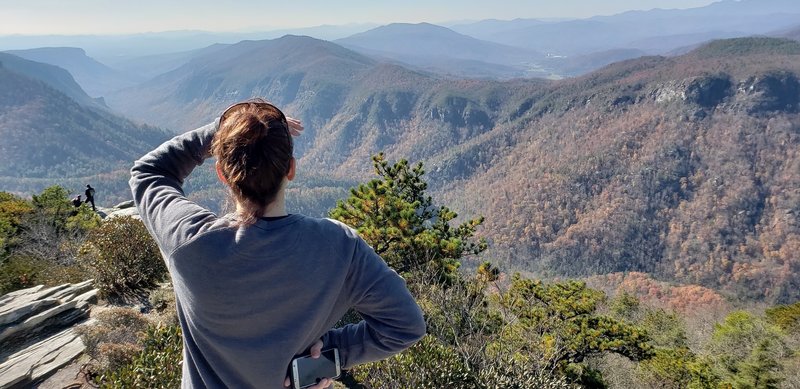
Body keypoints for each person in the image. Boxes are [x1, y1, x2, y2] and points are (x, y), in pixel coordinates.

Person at [129, 98, 426, 388]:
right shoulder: (340, 246)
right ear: (291, 169)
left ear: (222, 173)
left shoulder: (189, 240)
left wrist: (218, 130)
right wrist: (323, 358)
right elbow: (405, 326)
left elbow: (150, 171)